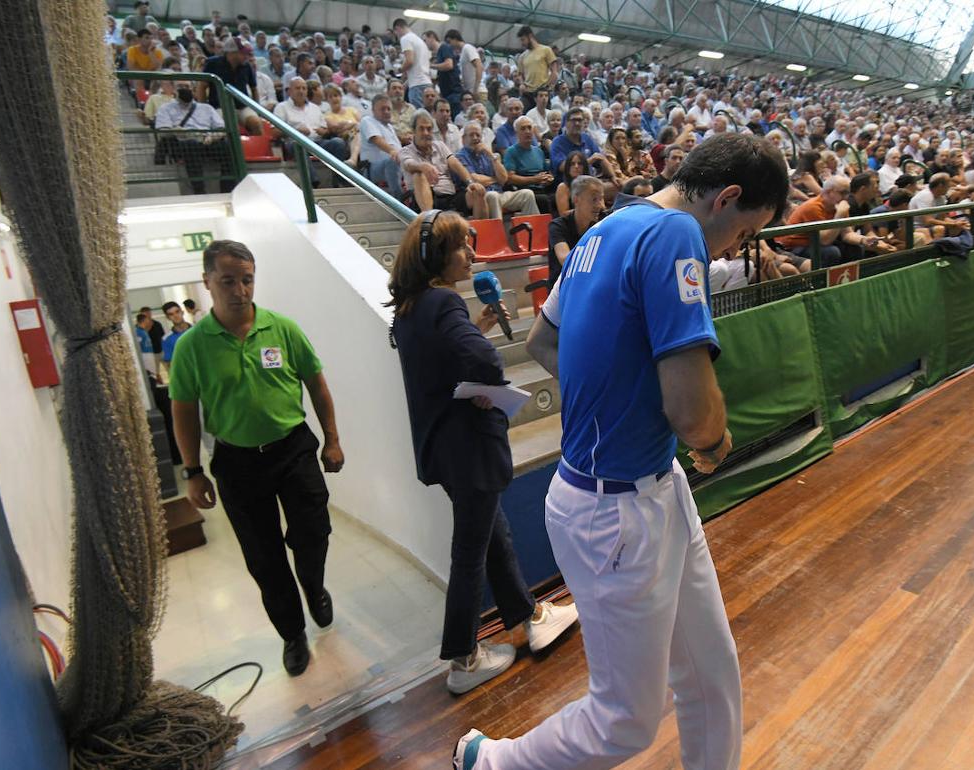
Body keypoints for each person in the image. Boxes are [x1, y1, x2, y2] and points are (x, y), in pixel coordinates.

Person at [454, 133, 789, 770]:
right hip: (613, 510)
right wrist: (714, 439)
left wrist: (616, 395)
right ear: (727, 198)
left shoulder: (605, 229)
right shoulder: (678, 234)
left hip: (651, 485)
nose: (734, 249)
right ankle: (490, 762)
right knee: (625, 721)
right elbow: (694, 416)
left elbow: (541, 342)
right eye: (745, 233)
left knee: (711, 673)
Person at [387, 210, 580, 694]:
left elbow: (441, 366)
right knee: (471, 552)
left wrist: (473, 326)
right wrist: (482, 359)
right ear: (435, 255)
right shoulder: (443, 302)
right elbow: (485, 362)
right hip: (467, 448)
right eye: (461, 246)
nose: (471, 253)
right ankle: (463, 658)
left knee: (494, 536)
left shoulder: (412, 308)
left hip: (444, 451)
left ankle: (528, 617)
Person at [169, 240, 346, 677]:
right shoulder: (192, 346)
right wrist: (193, 471)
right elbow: (184, 411)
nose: (240, 290)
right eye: (228, 281)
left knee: (313, 532)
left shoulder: (281, 328)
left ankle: (314, 586)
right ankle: (292, 634)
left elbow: (316, 385)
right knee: (264, 557)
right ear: (207, 281)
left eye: (247, 280)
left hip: (293, 449)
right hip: (237, 463)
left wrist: (332, 439)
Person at [399, 110, 489, 217]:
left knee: (477, 191)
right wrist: (422, 166)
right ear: (414, 131)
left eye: (429, 129)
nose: (426, 133)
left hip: (449, 196)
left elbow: (455, 164)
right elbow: (408, 165)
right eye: (421, 129)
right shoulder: (405, 151)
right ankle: (429, 220)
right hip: (422, 200)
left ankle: (481, 227)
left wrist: (470, 182)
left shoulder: (440, 146)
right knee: (419, 174)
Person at [154, 82, 235, 194]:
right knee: (191, 145)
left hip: (206, 141)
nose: (184, 89)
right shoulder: (165, 108)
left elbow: (221, 128)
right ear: (174, 89)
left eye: (187, 86)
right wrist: (175, 130)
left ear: (193, 88)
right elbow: (162, 131)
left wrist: (212, 137)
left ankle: (228, 189)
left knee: (228, 147)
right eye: (180, 87)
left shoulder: (206, 108)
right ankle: (199, 190)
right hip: (182, 143)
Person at [455, 121, 540, 220]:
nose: (475, 138)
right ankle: (497, 230)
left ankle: (535, 229)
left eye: (478, 135)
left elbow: (503, 179)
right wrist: (495, 179)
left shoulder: (487, 154)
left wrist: (491, 155)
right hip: (479, 198)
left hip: (500, 193)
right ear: (463, 139)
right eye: (471, 135)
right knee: (493, 195)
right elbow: (474, 179)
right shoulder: (460, 156)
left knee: (527, 194)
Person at [546, 174, 604, 287]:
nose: (600, 205)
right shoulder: (557, 226)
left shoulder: (604, 221)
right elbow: (565, 259)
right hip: (564, 287)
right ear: (576, 199)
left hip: (592, 283)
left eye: (601, 199)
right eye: (594, 199)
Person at [198, 38, 263, 136]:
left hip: (241, 106)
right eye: (243, 53)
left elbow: (254, 88)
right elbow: (202, 87)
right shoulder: (213, 63)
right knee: (223, 126)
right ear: (232, 52)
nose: (246, 56)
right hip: (219, 107)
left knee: (256, 123)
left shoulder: (247, 66)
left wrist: (256, 108)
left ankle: (258, 145)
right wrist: (203, 108)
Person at [359, 94, 404, 194]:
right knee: (392, 161)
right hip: (372, 169)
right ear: (373, 110)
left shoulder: (390, 127)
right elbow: (376, 139)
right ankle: (397, 198)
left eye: (389, 109)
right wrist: (392, 151)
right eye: (382, 109)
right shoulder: (367, 120)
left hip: (395, 167)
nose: (386, 112)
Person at [392, 17, 431, 107]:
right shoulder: (420, 41)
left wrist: (399, 69)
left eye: (396, 33)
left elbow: (409, 61)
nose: (397, 36)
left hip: (417, 85)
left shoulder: (405, 39)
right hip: (427, 82)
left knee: (419, 114)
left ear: (397, 28)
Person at [516, 26, 558, 111]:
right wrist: (522, 84)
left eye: (523, 40)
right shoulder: (522, 56)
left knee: (545, 116)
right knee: (521, 113)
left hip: (542, 92)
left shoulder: (546, 50)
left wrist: (547, 86)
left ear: (530, 36)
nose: (522, 43)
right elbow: (520, 74)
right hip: (527, 93)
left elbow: (554, 72)